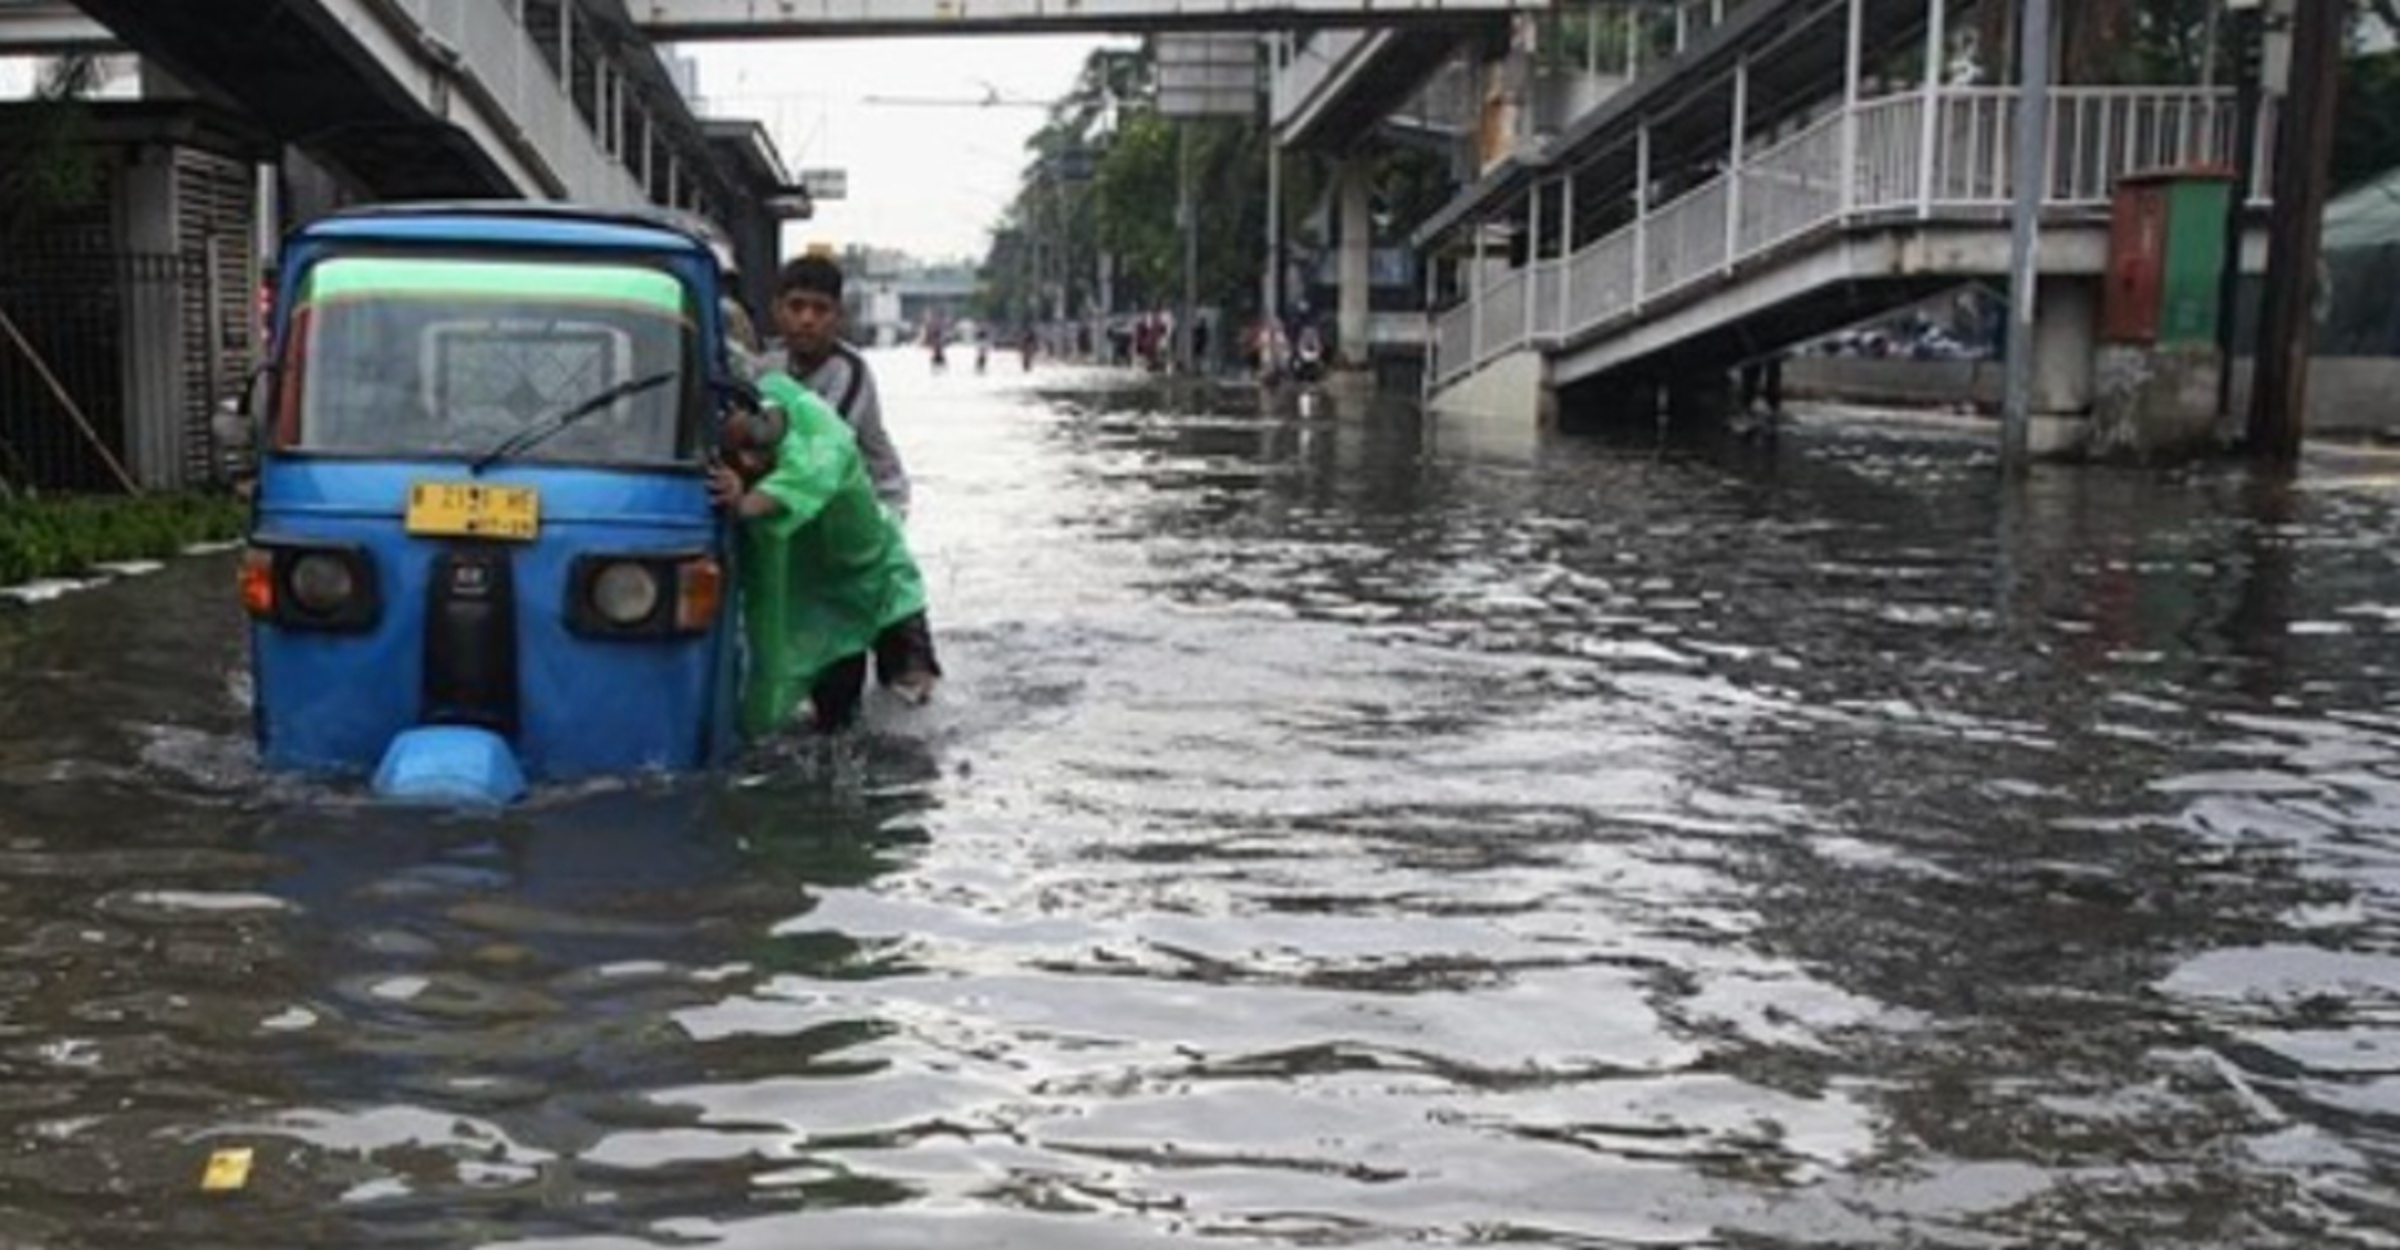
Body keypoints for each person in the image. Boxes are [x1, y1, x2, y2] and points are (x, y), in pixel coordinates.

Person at [709, 371, 941, 736]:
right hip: (820, 603)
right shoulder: (743, 429)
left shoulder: (816, 428)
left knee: (911, 703)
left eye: (753, 447)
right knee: (836, 727)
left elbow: (808, 476)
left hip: (881, 580)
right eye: (735, 453)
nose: (748, 462)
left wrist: (743, 503)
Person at [771, 255, 912, 519]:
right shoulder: (767, 364)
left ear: (838, 316)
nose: (807, 319)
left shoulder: (849, 371)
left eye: (820, 310)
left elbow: (825, 448)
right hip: (805, 488)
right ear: (777, 310)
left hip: (873, 504)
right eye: (796, 307)